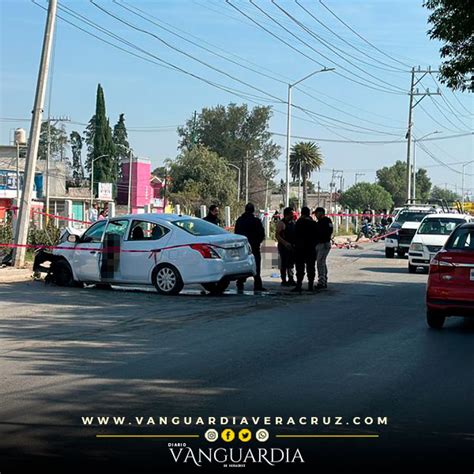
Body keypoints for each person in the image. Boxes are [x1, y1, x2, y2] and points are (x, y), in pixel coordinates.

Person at [235, 203, 266, 292]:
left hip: (243, 247)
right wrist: (257, 242)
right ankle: (257, 284)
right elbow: (261, 234)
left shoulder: (240, 220)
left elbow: (236, 233)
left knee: (242, 265)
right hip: (254, 246)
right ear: (253, 210)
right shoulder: (256, 221)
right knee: (256, 265)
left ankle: (240, 282)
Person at [292, 206, 318, 292]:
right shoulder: (313, 223)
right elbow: (316, 236)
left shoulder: (299, 223)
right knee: (311, 267)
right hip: (311, 248)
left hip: (300, 248)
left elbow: (294, 235)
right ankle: (310, 285)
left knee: (300, 268)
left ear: (302, 213)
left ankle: (299, 285)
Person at [276, 207, 296, 286]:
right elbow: (277, 235)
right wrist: (285, 243)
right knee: (284, 263)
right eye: (291, 214)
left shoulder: (293, 222)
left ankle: (291, 279)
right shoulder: (281, 223)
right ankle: (284, 280)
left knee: (291, 263)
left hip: (292, 246)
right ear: (287, 214)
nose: (292, 215)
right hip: (283, 246)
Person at [314, 207, 333, 290]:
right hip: (323, 243)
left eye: (316, 213)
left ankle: (322, 282)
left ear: (320, 213)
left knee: (320, 263)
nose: (315, 215)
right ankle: (323, 280)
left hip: (323, 244)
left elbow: (327, 232)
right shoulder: (324, 221)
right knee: (322, 262)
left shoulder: (325, 221)